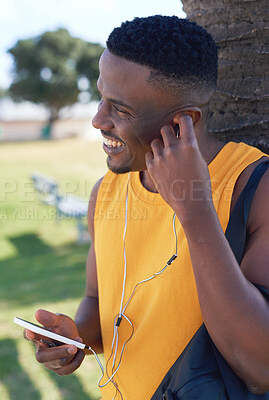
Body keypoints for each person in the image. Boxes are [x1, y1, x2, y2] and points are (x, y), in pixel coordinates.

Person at [24, 15, 269, 399]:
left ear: (183, 121)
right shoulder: (106, 191)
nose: (97, 120)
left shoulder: (254, 188)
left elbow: (261, 365)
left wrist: (193, 209)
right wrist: (73, 338)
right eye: (100, 96)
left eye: (120, 109)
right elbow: (96, 300)